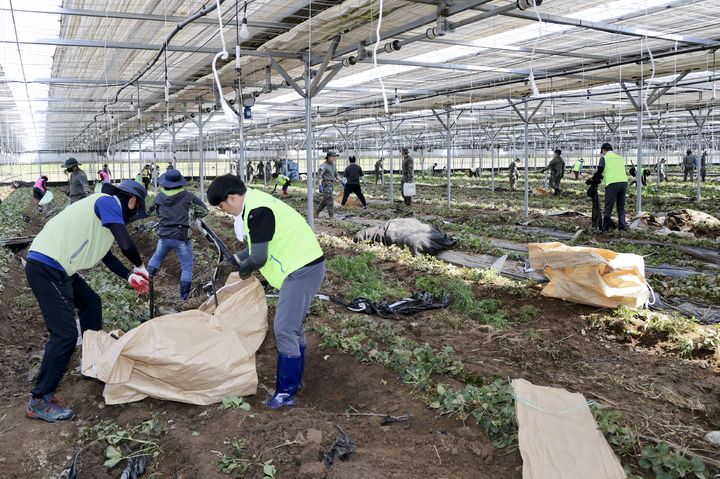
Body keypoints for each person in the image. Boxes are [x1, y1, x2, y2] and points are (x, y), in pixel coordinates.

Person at [24, 180, 150, 422]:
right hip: (47, 266)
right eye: (135, 211)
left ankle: (93, 360)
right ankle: (39, 399)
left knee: (92, 302)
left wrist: (129, 275)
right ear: (132, 201)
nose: (132, 217)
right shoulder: (107, 202)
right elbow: (125, 244)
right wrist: (140, 266)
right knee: (65, 334)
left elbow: (107, 255)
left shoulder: (102, 215)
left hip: (60, 267)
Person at [207, 175, 325, 409]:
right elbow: (259, 243)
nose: (225, 212)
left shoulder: (256, 210)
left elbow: (259, 257)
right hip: (304, 266)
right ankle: (295, 383)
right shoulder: (255, 204)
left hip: (302, 269)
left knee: (284, 329)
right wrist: (237, 258)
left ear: (231, 198)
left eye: (222, 207)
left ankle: (285, 392)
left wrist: (244, 271)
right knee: (293, 327)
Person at [147, 169, 207, 300]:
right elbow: (204, 211)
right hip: (181, 236)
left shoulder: (159, 196)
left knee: (157, 257)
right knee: (186, 267)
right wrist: (192, 213)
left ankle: (146, 285)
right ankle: (183, 299)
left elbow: (151, 213)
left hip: (164, 236)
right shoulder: (189, 196)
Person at [589, 143, 627, 233]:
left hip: (612, 184)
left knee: (608, 207)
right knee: (621, 207)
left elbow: (600, 169)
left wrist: (593, 179)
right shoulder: (620, 158)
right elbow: (613, 171)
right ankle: (622, 228)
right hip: (624, 183)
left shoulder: (604, 158)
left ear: (603, 150)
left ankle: (605, 229)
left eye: (602, 152)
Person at [314, 150, 343, 219]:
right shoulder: (324, 166)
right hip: (326, 183)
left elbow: (336, 174)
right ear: (329, 157)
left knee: (326, 199)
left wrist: (341, 180)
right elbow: (320, 176)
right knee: (330, 198)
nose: (334, 158)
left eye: (335, 156)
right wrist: (320, 185)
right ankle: (331, 214)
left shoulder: (333, 164)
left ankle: (317, 211)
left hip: (331, 183)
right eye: (333, 156)